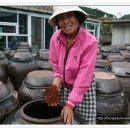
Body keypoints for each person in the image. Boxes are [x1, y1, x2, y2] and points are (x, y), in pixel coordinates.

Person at [48, 6, 98, 124]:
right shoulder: (55, 38)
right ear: (58, 22)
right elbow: (56, 67)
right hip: (64, 87)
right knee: (64, 120)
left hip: (84, 87)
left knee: (85, 122)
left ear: (77, 17)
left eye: (70, 15)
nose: (65, 21)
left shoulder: (90, 42)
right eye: (61, 18)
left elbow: (84, 76)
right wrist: (54, 89)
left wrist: (70, 103)